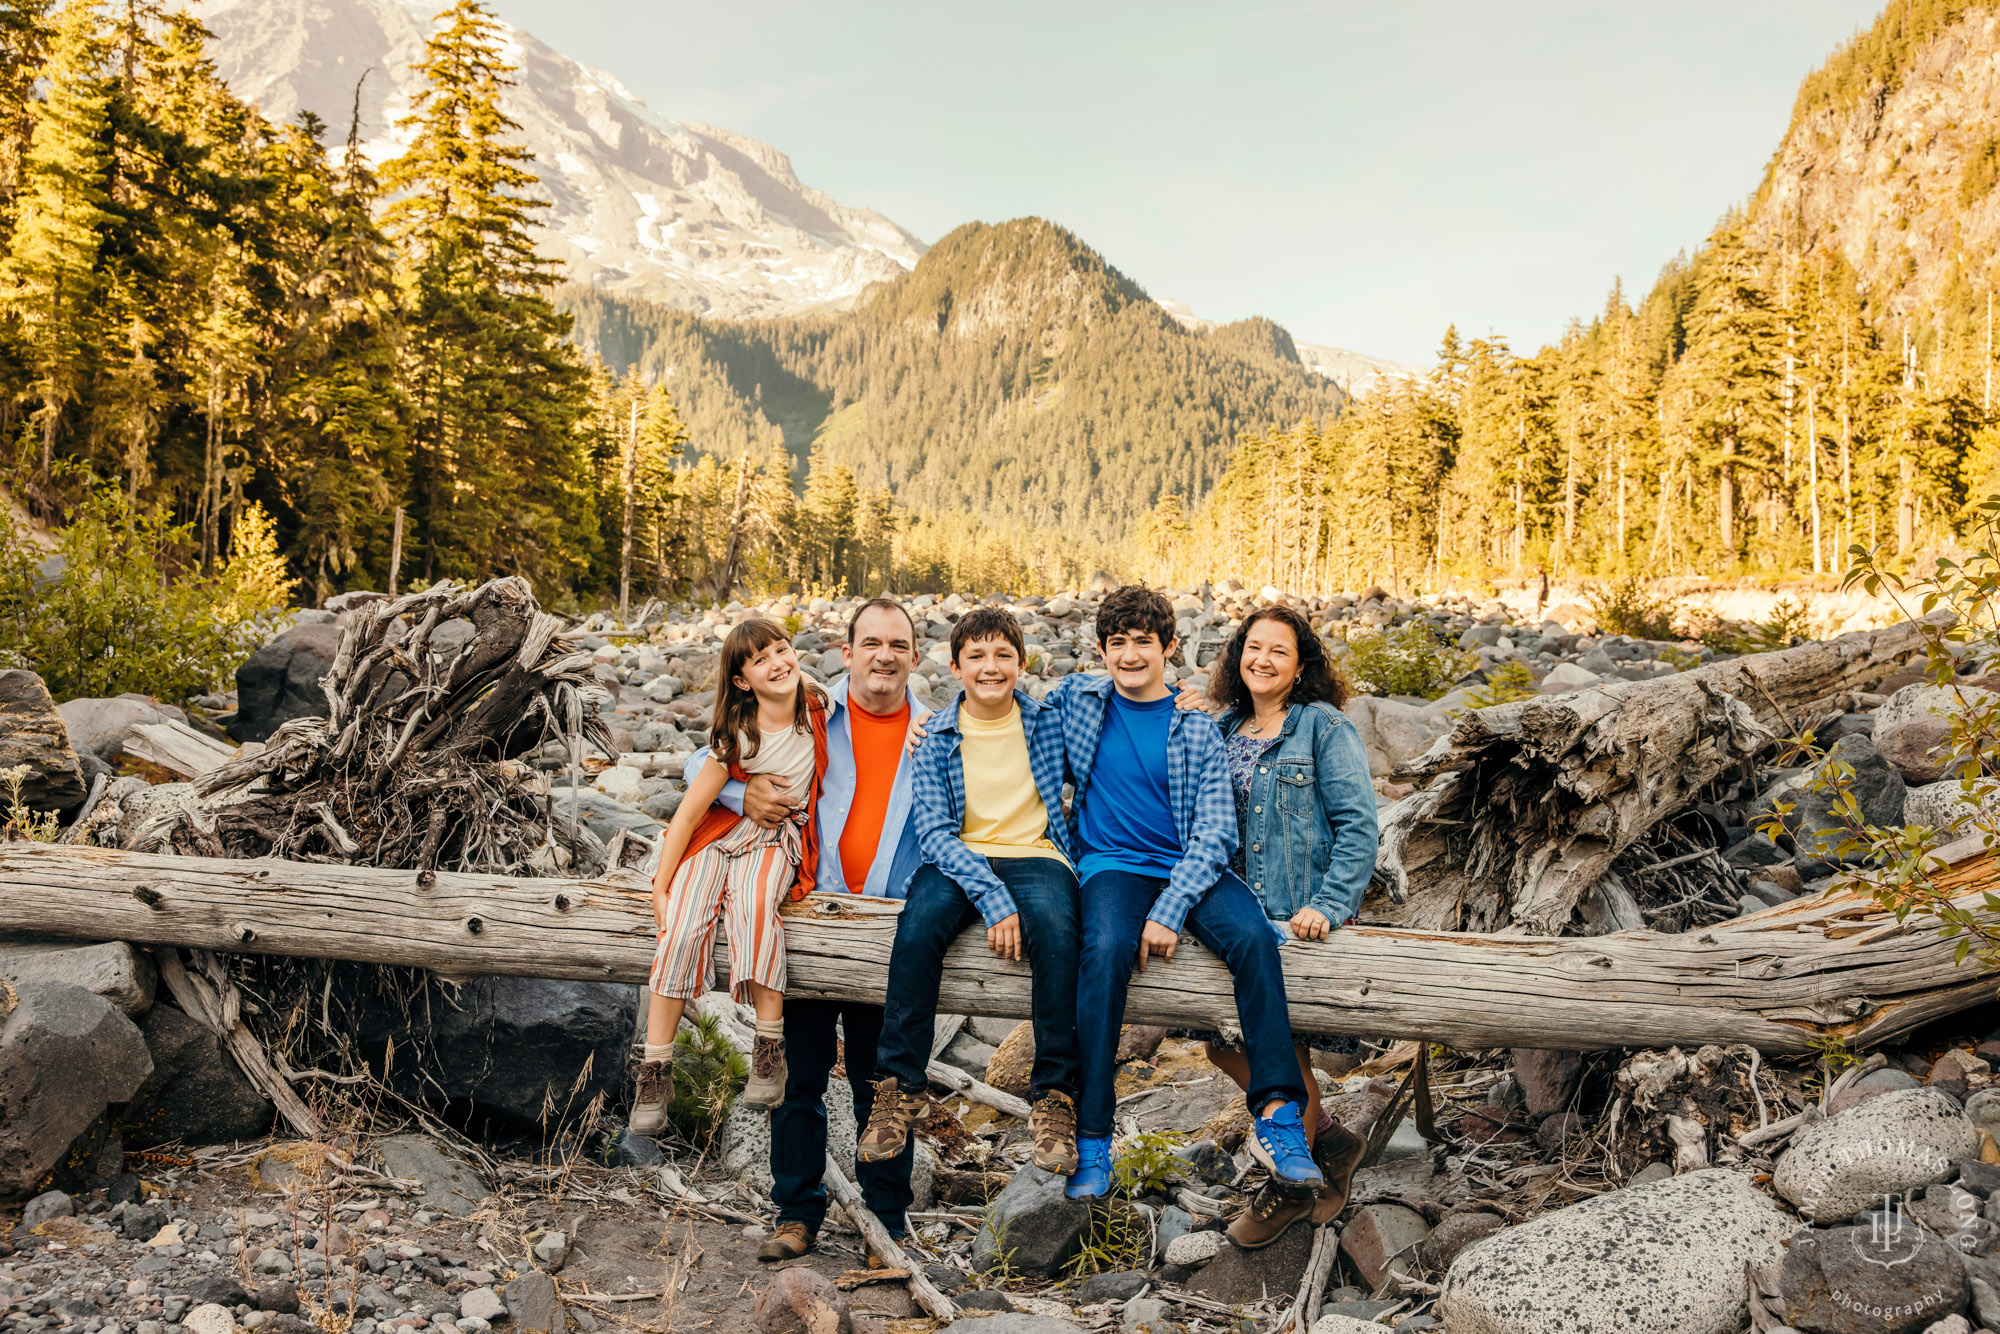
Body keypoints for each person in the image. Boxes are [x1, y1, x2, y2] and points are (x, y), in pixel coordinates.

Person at [1047, 585, 1323, 1204]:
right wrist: (933, 722)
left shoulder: (1194, 722)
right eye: (1117, 643)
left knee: (1253, 938)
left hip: (1190, 866)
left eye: (1144, 642)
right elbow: (1004, 715)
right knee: (1107, 948)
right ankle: (1092, 1136)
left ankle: (1280, 1114)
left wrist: (1171, 908)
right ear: (1100, 650)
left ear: (1170, 647)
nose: (1130, 655)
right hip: (1113, 867)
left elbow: (1218, 831)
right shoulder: (1079, 703)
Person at [683, 599, 931, 1264]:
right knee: (800, 1078)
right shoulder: (807, 710)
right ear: (845, 652)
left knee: (888, 1084)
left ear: (915, 655)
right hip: (809, 927)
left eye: (898, 644)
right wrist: (742, 795)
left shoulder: (935, 733)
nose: (885, 655)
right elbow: (695, 764)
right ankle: (796, 1213)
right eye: (870, 642)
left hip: (888, 937)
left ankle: (887, 1220)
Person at [856, 606, 1083, 1177]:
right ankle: (898, 1085)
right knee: (917, 928)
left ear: (1022, 663)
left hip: (1037, 852)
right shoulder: (934, 734)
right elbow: (933, 832)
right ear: (955, 666)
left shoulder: (1049, 720)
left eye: (1003, 655)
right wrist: (993, 898)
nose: (990, 667)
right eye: (976, 656)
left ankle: (1054, 1095)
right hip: (960, 855)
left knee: (1059, 931)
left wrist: (1188, 695)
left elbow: (1110, 688)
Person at [1179, 604, 1379, 1248]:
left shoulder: (1321, 727)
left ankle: (1290, 1189)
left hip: (1299, 920)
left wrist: (1329, 901)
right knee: (1220, 1046)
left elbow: (1358, 827)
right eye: (1252, 648)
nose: (1262, 660)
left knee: (1284, 1058)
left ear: (1301, 667)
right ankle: (1335, 1144)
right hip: (1234, 919)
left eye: (1279, 652)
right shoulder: (1225, 725)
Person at [633, 618, 830, 1137]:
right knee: (679, 924)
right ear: (743, 680)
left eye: (782, 650)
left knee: (755, 905)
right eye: (760, 660)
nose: (778, 663)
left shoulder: (817, 706)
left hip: (775, 838)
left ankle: (769, 1047)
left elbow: (879, 699)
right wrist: (660, 880)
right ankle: (655, 1067)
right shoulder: (737, 736)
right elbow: (688, 814)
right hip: (718, 839)